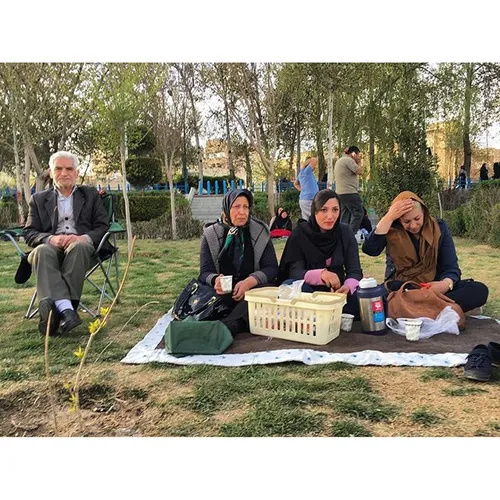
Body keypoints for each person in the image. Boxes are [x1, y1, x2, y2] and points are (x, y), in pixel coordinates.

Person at [24, 151, 110, 335]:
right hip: (51, 249)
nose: (64, 173)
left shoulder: (91, 195)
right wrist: (50, 238)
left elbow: (102, 227)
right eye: (59, 168)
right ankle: (67, 311)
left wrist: (82, 238)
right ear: (51, 171)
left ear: (76, 173)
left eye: (69, 168)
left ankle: (54, 313)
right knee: (42, 252)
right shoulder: (38, 200)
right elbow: (29, 232)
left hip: (82, 249)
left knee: (78, 247)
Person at [362, 191, 489, 313]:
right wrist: (388, 217)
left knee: (479, 290)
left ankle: (416, 308)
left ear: (424, 212)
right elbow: (370, 250)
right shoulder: (391, 230)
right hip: (402, 288)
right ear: (399, 220)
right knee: (365, 300)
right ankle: (439, 308)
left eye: (417, 218)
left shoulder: (439, 228)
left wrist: (445, 284)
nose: (413, 225)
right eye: (406, 222)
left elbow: (451, 267)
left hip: (434, 288)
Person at [199, 188, 279, 334]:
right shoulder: (211, 234)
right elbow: (204, 272)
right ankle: (236, 321)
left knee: (267, 293)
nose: (242, 212)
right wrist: (216, 280)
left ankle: (230, 325)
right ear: (227, 208)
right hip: (223, 292)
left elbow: (272, 268)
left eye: (246, 207)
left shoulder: (260, 232)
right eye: (236, 207)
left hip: (252, 292)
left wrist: (250, 281)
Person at [278, 189, 363, 318]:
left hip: (337, 295)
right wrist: (321, 274)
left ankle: (326, 315)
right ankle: (320, 316)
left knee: (366, 296)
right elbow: (294, 272)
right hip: (309, 294)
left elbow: (355, 270)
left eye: (335, 210)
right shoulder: (300, 234)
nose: (330, 216)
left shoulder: (345, 232)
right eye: (324, 210)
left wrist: (348, 287)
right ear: (315, 211)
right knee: (291, 286)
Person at [334, 146, 364, 234]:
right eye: (358, 155)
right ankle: (350, 235)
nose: (359, 157)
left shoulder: (340, 160)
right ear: (353, 154)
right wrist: (358, 162)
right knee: (358, 213)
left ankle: (342, 236)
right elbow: (360, 171)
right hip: (349, 192)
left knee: (345, 216)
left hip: (340, 193)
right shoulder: (349, 160)